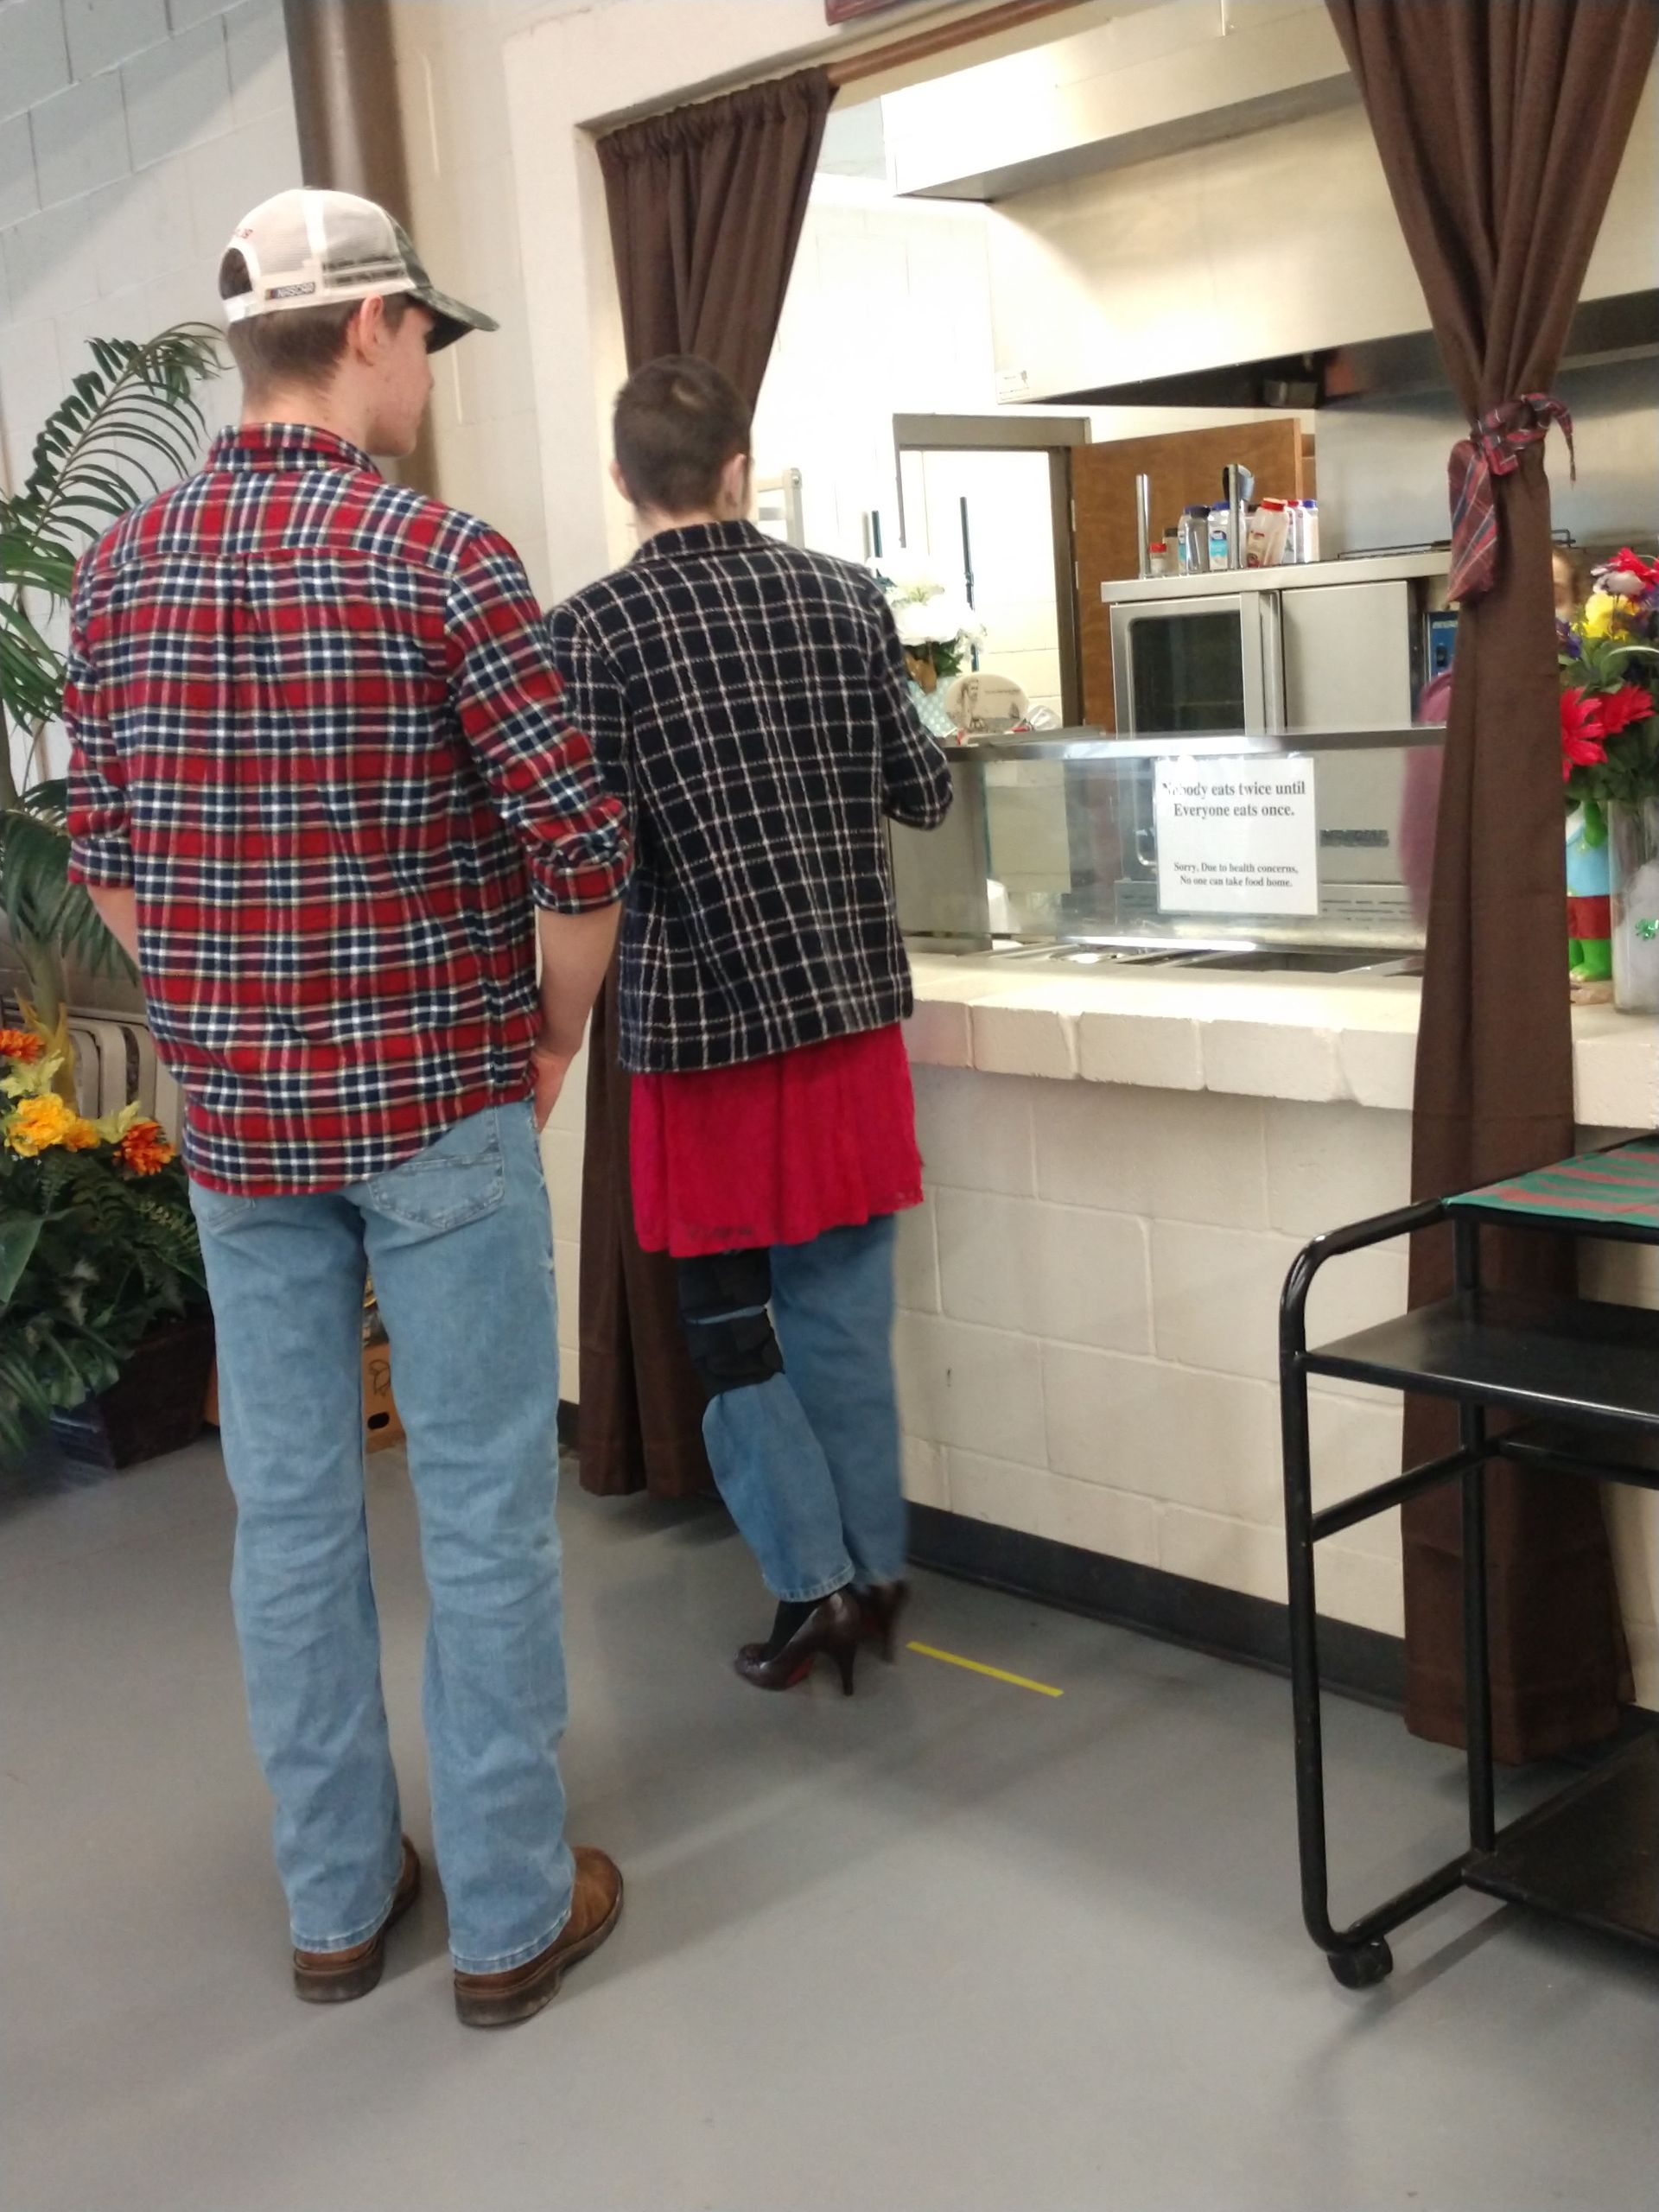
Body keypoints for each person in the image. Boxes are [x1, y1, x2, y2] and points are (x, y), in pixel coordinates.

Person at [65, 189, 629, 2029]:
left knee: (288, 1508)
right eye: (424, 340)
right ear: (374, 325)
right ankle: (508, 1911)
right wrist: (549, 1037)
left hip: (241, 1121)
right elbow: (577, 846)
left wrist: (219, 1009)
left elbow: (111, 860)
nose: (424, 375)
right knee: (476, 1499)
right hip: (439, 1100)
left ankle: (334, 1898)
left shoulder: (122, 573)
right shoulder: (443, 560)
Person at [550, 356, 954, 1696]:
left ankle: (813, 1586)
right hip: (846, 1023)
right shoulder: (846, 597)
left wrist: (552, 1025)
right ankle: (875, 1576)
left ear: (622, 479)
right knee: (841, 1314)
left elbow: (589, 857)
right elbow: (925, 791)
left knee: (731, 1331)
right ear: (740, 465)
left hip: (699, 1035)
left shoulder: (592, 633)